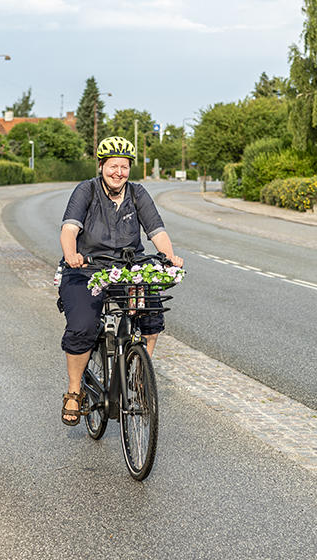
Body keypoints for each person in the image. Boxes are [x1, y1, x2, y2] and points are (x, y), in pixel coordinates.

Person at [57, 136, 183, 426]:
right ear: (101, 166)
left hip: (128, 268)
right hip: (87, 269)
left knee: (152, 315)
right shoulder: (85, 191)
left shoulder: (137, 194)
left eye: (124, 167)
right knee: (82, 327)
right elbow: (69, 229)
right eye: (113, 166)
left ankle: (140, 373)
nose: (119, 172)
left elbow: (157, 231)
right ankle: (74, 391)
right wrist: (71, 254)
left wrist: (169, 257)